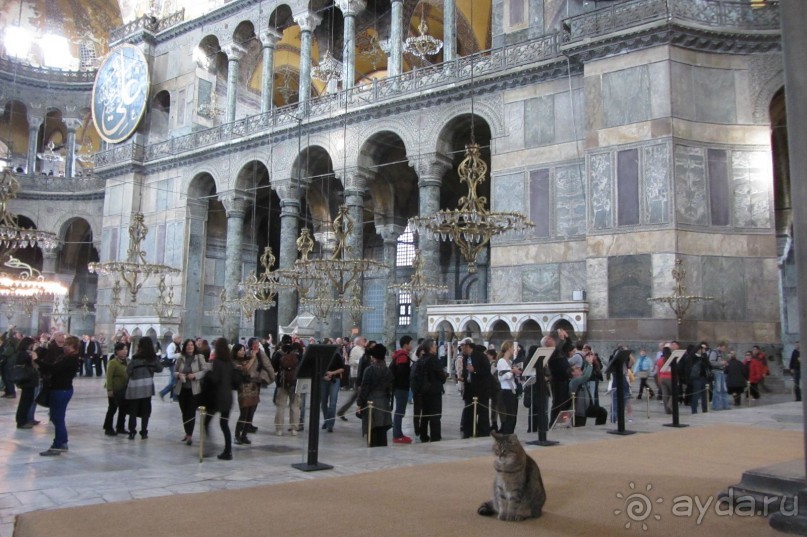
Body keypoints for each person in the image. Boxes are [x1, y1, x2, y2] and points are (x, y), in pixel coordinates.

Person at [36, 335, 81, 456]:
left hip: (61, 390)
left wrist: (36, 361)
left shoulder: (71, 359)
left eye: (67, 344)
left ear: (73, 347)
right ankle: (62, 442)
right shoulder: (67, 357)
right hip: (60, 389)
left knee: (58, 418)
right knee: (56, 417)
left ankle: (58, 444)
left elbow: (53, 368)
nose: (64, 346)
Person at [203, 338, 239, 460]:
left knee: (206, 422)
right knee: (224, 424)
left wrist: (207, 374)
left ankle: (209, 447)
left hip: (217, 397)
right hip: (228, 397)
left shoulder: (217, 362)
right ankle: (228, 451)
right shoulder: (230, 362)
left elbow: (215, 379)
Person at [124, 336, 163, 439]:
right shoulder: (153, 358)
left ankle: (132, 431)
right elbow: (160, 369)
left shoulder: (135, 358)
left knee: (133, 410)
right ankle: (144, 432)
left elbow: (128, 371)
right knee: (146, 410)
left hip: (135, 386)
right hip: (147, 386)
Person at [357, 344, 394, 447]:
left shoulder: (369, 370)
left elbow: (364, 388)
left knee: (372, 431)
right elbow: (389, 390)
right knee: (382, 433)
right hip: (384, 402)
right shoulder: (388, 371)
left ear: (373, 357)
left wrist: (359, 403)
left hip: (371, 402)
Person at [172, 339, 207, 445]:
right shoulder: (180, 358)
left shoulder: (199, 357)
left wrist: (195, 375)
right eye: (188, 345)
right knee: (184, 412)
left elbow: (205, 370)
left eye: (191, 345)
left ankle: (190, 435)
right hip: (182, 389)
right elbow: (174, 371)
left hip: (194, 389)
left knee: (191, 412)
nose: (190, 347)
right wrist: (178, 375)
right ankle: (187, 432)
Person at [413, 338, 446, 442]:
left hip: (424, 391)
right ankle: (435, 436)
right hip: (434, 391)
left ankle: (423, 435)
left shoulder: (421, 359)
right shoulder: (434, 360)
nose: (436, 347)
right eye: (434, 345)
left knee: (425, 414)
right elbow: (441, 376)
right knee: (435, 415)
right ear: (431, 347)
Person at [459, 337, 492, 438]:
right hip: (469, 388)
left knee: (482, 411)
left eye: (462, 346)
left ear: (467, 346)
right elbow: (466, 372)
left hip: (481, 389)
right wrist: (463, 378)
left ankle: (483, 431)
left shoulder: (480, 356)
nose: (461, 348)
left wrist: (475, 370)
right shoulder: (465, 358)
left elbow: (487, 370)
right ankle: (468, 430)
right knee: (469, 411)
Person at [232, 343, 260, 445]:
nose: (242, 351)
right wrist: (253, 358)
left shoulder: (248, 359)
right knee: (243, 414)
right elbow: (245, 369)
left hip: (253, 388)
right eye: (240, 350)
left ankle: (244, 435)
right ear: (235, 351)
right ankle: (237, 435)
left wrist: (255, 355)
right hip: (243, 389)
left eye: (243, 349)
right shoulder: (234, 362)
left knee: (250, 414)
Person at [570, 352, 608, 426]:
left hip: (587, 407)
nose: (579, 369)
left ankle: (599, 428)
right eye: (577, 369)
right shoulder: (574, 381)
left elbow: (585, 372)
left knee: (602, 412)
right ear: (572, 373)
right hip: (579, 411)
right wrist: (590, 363)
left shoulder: (579, 378)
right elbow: (586, 376)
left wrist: (587, 362)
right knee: (579, 428)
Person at [273, 338, 300, 436]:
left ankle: (279, 429)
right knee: (295, 406)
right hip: (295, 383)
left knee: (280, 406)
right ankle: (294, 428)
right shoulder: (297, 354)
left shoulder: (278, 354)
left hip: (282, 383)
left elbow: (274, 368)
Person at [389, 335, 413, 444]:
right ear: (406, 345)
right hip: (401, 387)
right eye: (410, 343)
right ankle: (397, 435)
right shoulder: (403, 356)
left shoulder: (399, 355)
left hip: (398, 387)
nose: (412, 345)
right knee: (399, 411)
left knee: (400, 411)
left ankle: (398, 433)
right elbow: (401, 373)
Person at [547, 328, 573, 427]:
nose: (552, 340)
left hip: (565, 380)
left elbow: (568, 345)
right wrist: (561, 339)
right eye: (549, 339)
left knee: (565, 402)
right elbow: (557, 348)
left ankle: (562, 422)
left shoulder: (559, 350)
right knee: (558, 402)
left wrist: (567, 337)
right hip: (557, 381)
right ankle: (553, 423)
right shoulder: (550, 352)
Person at [103, 342, 129, 436]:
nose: (125, 351)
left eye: (126, 349)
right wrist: (109, 389)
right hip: (115, 390)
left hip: (124, 390)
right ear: (117, 351)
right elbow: (108, 377)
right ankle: (108, 427)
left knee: (123, 409)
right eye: (123, 349)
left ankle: (120, 427)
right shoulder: (113, 362)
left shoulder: (127, 362)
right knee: (112, 408)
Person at [495, 340, 521, 434]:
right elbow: (501, 377)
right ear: (509, 348)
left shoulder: (509, 361)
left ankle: (510, 434)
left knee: (513, 416)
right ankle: (506, 435)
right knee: (509, 416)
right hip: (506, 391)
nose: (515, 349)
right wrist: (512, 372)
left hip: (512, 391)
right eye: (513, 348)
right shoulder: (502, 361)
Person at [14, 337, 40, 429]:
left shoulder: (22, 353)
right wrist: (33, 359)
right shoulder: (24, 354)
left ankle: (22, 420)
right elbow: (31, 365)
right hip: (28, 380)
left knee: (26, 400)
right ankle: (22, 421)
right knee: (26, 401)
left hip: (26, 380)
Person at [320, 343, 346, 433]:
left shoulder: (337, 355)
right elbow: (318, 368)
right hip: (324, 380)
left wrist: (332, 373)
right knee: (323, 402)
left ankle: (330, 424)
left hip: (334, 380)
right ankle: (327, 420)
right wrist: (323, 376)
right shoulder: (322, 356)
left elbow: (342, 368)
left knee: (333, 402)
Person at [688, 343, 711, 414]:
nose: (704, 350)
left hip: (704, 378)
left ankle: (705, 409)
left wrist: (704, 355)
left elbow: (708, 365)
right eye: (703, 349)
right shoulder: (693, 357)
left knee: (705, 395)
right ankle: (694, 410)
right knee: (696, 395)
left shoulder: (704, 357)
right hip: (696, 378)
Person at [159, 335, 182, 401]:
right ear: (174, 339)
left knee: (175, 382)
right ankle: (162, 392)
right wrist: (179, 355)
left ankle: (175, 397)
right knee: (174, 382)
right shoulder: (172, 345)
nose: (180, 339)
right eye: (179, 338)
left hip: (176, 365)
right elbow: (170, 356)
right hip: (173, 365)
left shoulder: (177, 345)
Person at [709, 341, 730, 410]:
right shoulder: (714, 352)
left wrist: (725, 363)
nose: (724, 349)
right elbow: (711, 362)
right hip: (716, 371)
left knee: (724, 389)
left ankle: (725, 405)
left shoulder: (722, 353)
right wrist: (721, 363)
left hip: (722, 372)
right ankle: (715, 406)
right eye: (724, 348)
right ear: (720, 346)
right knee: (717, 389)